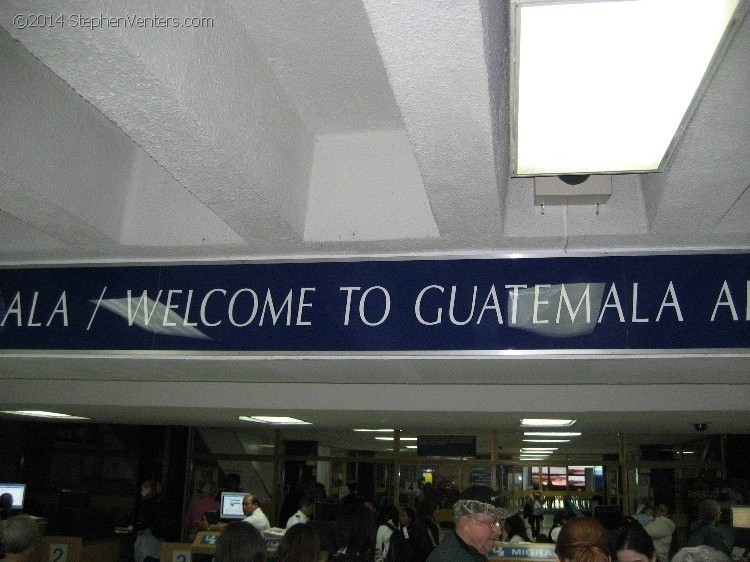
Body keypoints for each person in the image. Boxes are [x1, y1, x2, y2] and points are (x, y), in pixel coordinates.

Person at [426, 484, 513, 562]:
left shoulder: (468, 552)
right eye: (491, 523)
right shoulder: (450, 557)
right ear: (466, 524)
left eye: (500, 522)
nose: (498, 531)